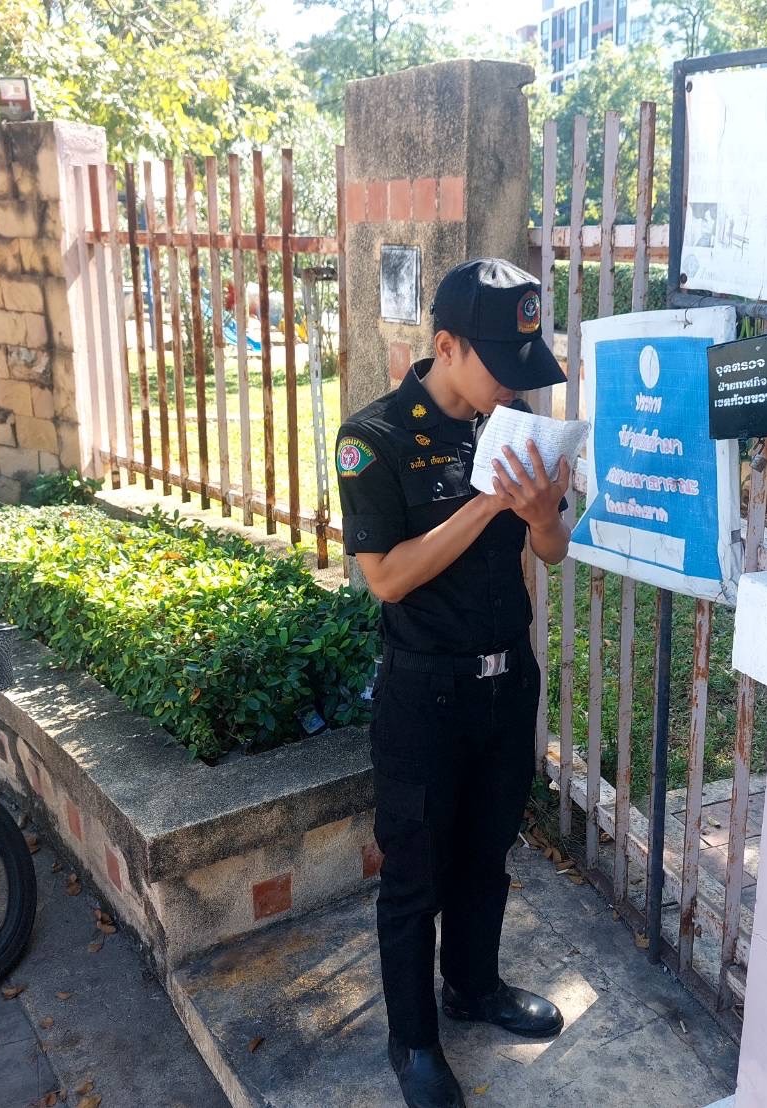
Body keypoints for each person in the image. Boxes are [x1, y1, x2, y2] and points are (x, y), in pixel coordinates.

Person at [336, 259, 572, 1108]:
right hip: (425, 695)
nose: (513, 387)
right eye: (498, 367)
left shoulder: (511, 429)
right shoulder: (375, 438)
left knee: (486, 854)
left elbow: (550, 552)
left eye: (522, 368)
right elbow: (387, 577)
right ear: (446, 346)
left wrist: (540, 516)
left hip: (507, 684)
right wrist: (487, 502)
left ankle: (473, 987)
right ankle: (413, 1041)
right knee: (416, 875)